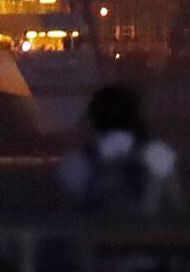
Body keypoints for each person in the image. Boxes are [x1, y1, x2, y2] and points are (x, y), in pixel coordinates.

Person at [56, 81, 182, 217]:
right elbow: (176, 206)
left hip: (97, 234)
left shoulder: (76, 163)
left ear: (93, 118)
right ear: (138, 115)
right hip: (149, 235)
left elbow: (68, 215)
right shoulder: (159, 154)